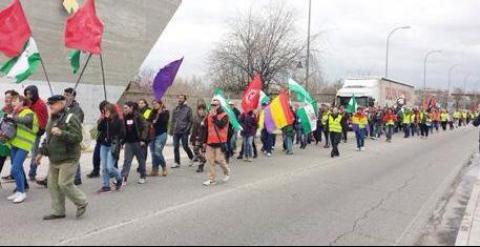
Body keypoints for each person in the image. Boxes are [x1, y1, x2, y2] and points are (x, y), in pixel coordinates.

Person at [35, 95, 87, 220]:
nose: (50, 106)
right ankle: (58, 211)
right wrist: (41, 152)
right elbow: (48, 139)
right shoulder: (52, 119)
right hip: (54, 158)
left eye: (53, 104)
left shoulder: (71, 118)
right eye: (49, 104)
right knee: (52, 185)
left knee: (64, 184)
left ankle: (82, 202)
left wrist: (61, 133)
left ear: (61, 104)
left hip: (68, 157)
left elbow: (77, 138)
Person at [5, 95, 38, 203]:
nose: (13, 102)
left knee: (15, 169)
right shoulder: (16, 112)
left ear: (22, 102)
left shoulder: (29, 113)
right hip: (14, 144)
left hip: (23, 145)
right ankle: (19, 191)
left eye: (16, 101)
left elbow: (25, 120)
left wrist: (12, 117)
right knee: (16, 169)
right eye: (13, 101)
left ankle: (22, 193)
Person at [202, 98, 231, 186]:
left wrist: (214, 116)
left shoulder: (225, 115)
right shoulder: (209, 115)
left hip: (220, 141)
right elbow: (207, 129)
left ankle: (227, 171)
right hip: (210, 141)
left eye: (215, 105)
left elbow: (221, 125)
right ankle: (212, 180)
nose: (213, 106)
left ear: (219, 105)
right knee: (210, 161)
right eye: (212, 105)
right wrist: (204, 141)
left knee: (219, 159)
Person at [97, 103, 124, 193]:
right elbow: (99, 128)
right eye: (104, 111)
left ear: (111, 110)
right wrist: (104, 119)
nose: (105, 112)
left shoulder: (118, 120)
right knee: (104, 167)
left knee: (110, 167)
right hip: (104, 145)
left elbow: (122, 133)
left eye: (107, 110)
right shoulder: (104, 120)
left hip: (113, 145)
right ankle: (106, 185)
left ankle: (119, 177)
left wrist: (117, 139)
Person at [24, 85, 48, 182]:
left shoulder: (40, 104)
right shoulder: (28, 103)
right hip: (26, 131)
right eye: (26, 94)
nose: (28, 96)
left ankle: (32, 173)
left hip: (36, 132)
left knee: (34, 153)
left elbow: (43, 119)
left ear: (35, 93)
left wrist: (40, 130)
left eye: (30, 94)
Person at [121, 102, 148, 185]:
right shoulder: (124, 117)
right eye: (124, 108)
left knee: (141, 160)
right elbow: (124, 130)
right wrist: (122, 141)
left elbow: (145, 127)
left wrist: (143, 139)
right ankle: (124, 178)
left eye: (126, 108)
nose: (124, 109)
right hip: (129, 143)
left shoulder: (138, 116)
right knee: (127, 161)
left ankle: (142, 176)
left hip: (138, 142)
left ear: (131, 108)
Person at [170, 95, 194, 169]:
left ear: (185, 100)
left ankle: (192, 158)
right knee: (175, 147)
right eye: (179, 98)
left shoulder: (188, 109)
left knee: (185, 146)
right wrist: (172, 129)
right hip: (176, 131)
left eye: (181, 98)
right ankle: (177, 162)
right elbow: (173, 120)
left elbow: (190, 121)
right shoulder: (175, 109)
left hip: (184, 131)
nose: (179, 100)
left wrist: (187, 130)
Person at [87, 101, 109, 178]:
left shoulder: (113, 115)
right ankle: (96, 171)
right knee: (96, 156)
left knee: (109, 158)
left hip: (109, 140)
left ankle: (111, 171)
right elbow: (99, 128)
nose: (103, 110)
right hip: (100, 139)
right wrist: (102, 119)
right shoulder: (102, 116)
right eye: (102, 109)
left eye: (104, 108)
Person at [147, 100, 170, 177]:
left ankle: (164, 167)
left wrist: (160, 114)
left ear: (160, 104)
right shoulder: (151, 112)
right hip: (152, 134)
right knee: (153, 153)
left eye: (156, 103)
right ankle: (154, 170)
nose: (154, 105)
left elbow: (164, 121)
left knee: (157, 152)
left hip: (161, 134)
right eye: (153, 104)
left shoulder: (165, 112)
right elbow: (148, 121)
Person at [191, 103, 208, 173]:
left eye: (202, 110)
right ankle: (203, 159)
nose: (201, 111)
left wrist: (204, 125)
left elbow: (209, 129)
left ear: (204, 110)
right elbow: (194, 129)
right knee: (196, 150)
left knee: (203, 151)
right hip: (197, 137)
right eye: (199, 110)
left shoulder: (207, 118)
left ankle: (200, 167)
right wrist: (192, 138)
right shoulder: (195, 118)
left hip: (204, 138)